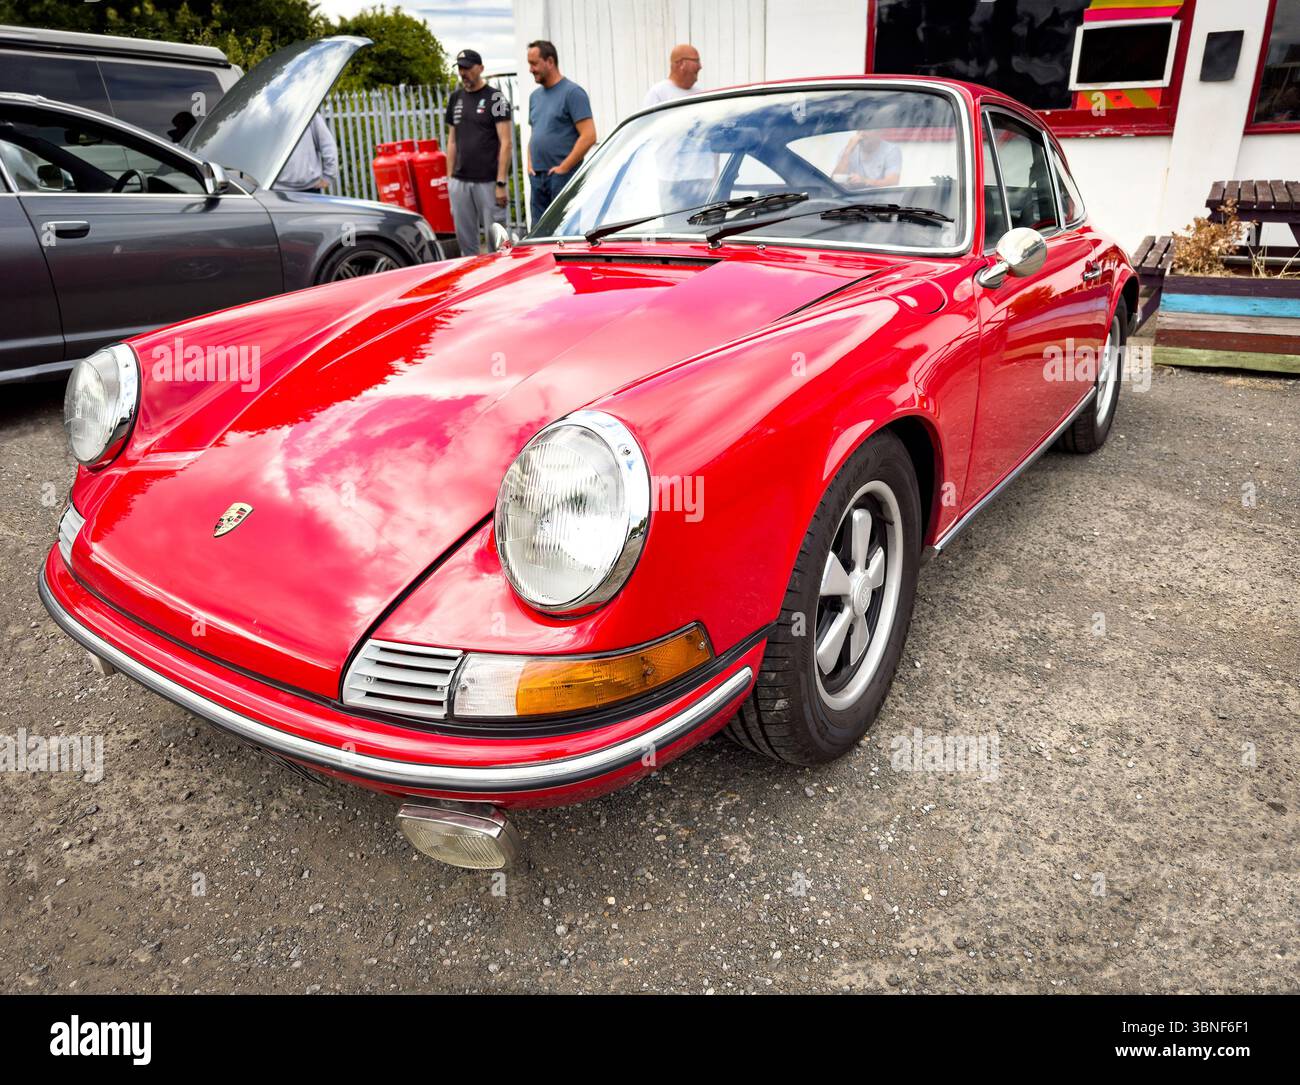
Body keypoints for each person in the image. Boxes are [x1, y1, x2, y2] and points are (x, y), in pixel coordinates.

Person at [445, 48, 513, 256]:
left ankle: (501, 282)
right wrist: (450, 180)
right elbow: (452, 141)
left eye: (467, 68)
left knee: (498, 244)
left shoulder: (496, 98)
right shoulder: (456, 98)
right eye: (460, 68)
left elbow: (506, 142)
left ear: (480, 68)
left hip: (489, 183)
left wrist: (501, 183)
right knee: (467, 245)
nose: (463, 73)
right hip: (460, 182)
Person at [525, 40, 596, 224]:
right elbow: (535, 133)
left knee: (565, 230)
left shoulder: (573, 93)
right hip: (537, 178)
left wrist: (563, 168)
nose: (530, 69)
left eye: (534, 63)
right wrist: (530, 164)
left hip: (562, 178)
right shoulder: (534, 97)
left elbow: (588, 136)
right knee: (539, 232)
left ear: (550, 61)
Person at [275, 113, 338, 192]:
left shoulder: (308, 112)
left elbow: (327, 145)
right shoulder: (266, 114)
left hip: (309, 189)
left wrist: (328, 176)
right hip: (275, 191)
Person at [832, 130, 901, 189]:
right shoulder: (849, 150)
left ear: (879, 132)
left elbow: (892, 182)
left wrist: (864, 181)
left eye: (867, 129)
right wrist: (848, 151)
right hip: (851, 200)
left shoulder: (891, 150)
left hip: (878, 200)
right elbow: (834, 181)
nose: (862, 133)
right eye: (859, 129)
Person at [643, 43, 702, 108]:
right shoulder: (658, 94)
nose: (700, 67)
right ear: (681, 64)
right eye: (696, 61)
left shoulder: (699, 95)